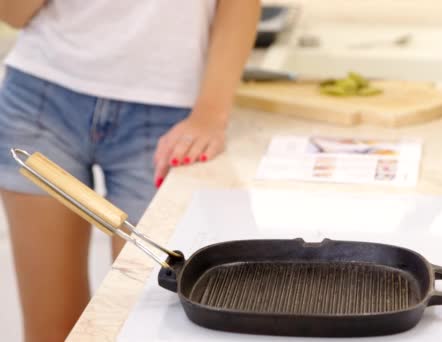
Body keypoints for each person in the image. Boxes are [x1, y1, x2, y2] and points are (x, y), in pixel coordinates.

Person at [0, 1, 260, 341]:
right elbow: (13, 14)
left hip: (167, 117)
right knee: (53, 334)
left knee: (147, 330)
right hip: (42, 99)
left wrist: (210, 114)